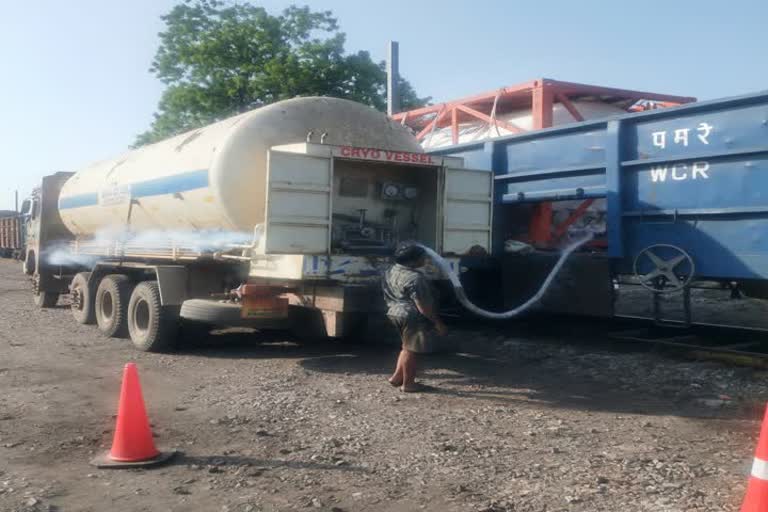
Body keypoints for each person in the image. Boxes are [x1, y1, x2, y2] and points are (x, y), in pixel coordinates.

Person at [383, 243, 447, 392]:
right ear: (412, 261)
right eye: (422, 257)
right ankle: (409, 384)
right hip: (411, 317)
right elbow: (423, 306)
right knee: (412, 351)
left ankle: (396, 378)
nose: (424, 260)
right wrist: (438, 323)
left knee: (406, 347)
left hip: (394, 312)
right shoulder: (416, 278)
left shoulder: (390, 271)